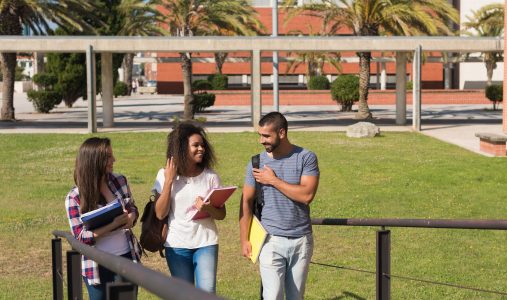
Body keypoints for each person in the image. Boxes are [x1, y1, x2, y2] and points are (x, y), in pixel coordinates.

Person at [239, 112, 320, 300]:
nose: (261, 140)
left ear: (281, 133)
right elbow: (246, 202)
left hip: (301, 240)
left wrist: (273, 180)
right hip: (270, 240)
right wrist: (244, 240)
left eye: (266, 135)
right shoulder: (256, 163)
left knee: (295, 296)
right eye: (260, 135)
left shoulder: (306, 158)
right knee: (272, 296)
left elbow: (307, 195)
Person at [153, 122, 226, 293]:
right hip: (176, 244)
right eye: (195, 145)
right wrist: (169, 181)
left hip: (206, 243)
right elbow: (160, 212)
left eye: (202, 145)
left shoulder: (211, 177)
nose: (201, 149)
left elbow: (221, 214)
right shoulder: (164, 176)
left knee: (206, 294)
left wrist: (208, 208)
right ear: (181, 148)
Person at [65, 137, 140, 300]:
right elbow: (80, 238)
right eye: (108, 157)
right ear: (94, 161)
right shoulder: (74, 197)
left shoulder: (119, 180)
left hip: (126, 259)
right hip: (96, 266)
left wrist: (131, 216)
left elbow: (132, 207)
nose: (114, 160)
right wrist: (113, 224)